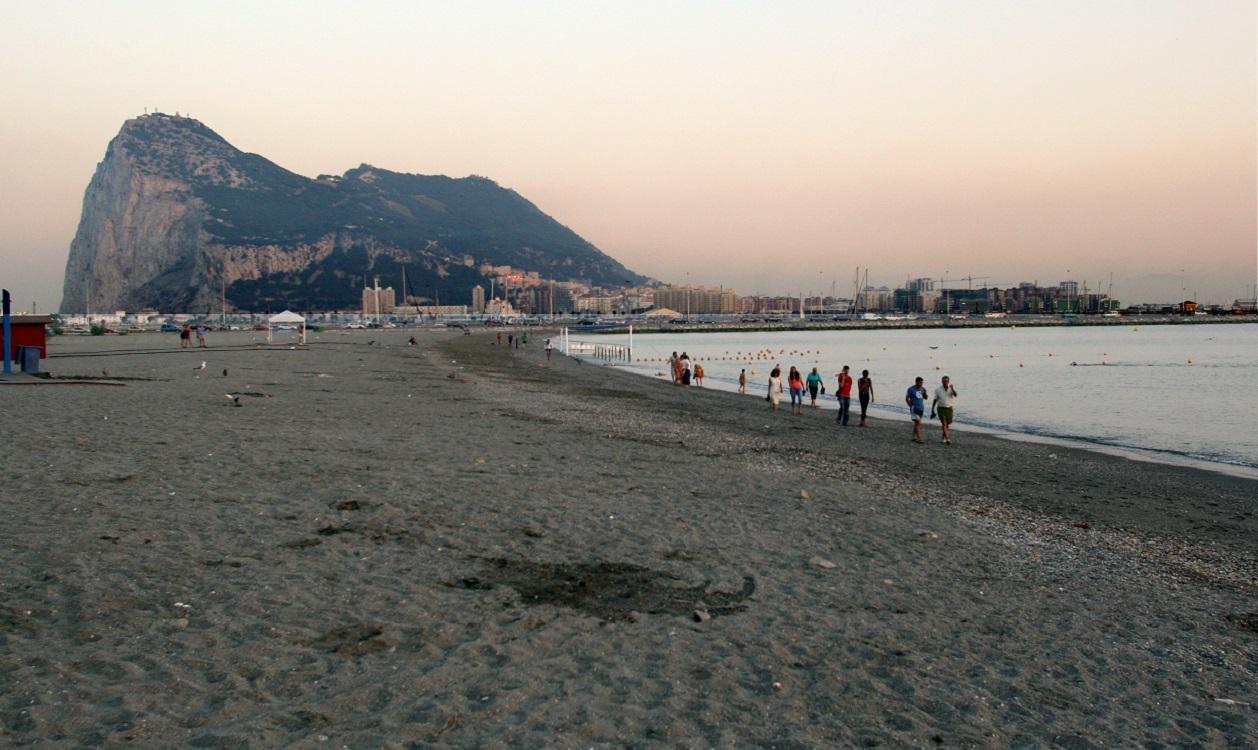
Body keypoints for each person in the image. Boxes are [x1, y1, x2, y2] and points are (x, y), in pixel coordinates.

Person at [931, 375, 959, 444]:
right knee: (944, 423)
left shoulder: (951, 388)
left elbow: (956, 395)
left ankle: (943, 437)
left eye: (946, 381)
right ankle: (947, 438)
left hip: (949, 408)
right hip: (941, 408)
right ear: (941, 381)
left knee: (947, 424)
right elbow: (935, 399)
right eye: (944, 381)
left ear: (948, 381)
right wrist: (932, 409)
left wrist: (952, 389)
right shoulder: (938, 389)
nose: (945, 382)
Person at [905, 376, 928, 444]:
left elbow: (926, 398)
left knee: (917, 424)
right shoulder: (911, 389)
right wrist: (910, 405)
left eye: (922, 383)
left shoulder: (923, 389)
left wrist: (925, 393)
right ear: (916, 382)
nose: (921, 384)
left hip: (921, 408)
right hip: (914, 408)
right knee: (918, 422)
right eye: (920, 383)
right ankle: (919, 438)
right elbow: (907, 398)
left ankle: (913, 437)